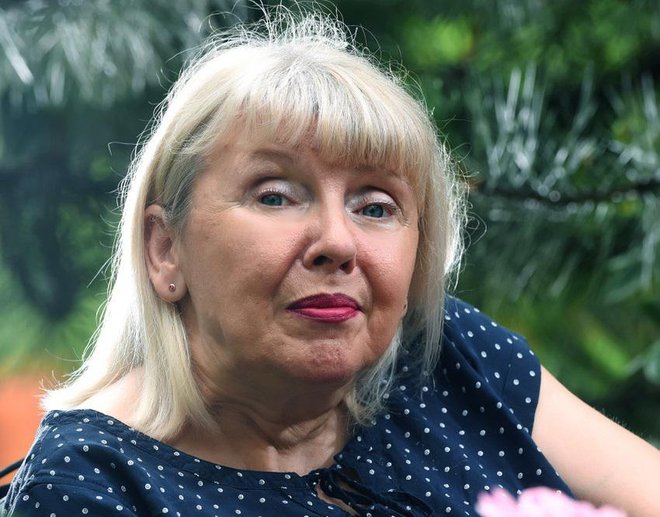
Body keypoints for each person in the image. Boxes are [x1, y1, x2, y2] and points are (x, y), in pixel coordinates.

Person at [3, 8, 659, 517]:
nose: (338, 243)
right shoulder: (90, 483)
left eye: (375, 206)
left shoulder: (445, 355)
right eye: (276, 195)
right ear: (164, 248)